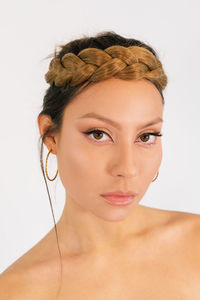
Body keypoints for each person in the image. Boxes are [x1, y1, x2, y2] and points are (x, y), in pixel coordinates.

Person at [1, 31, 200, 299]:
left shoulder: (194, 242)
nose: (127, 168)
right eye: (98, 134)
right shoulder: (16, 291)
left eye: (145, 137)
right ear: (50, 135)